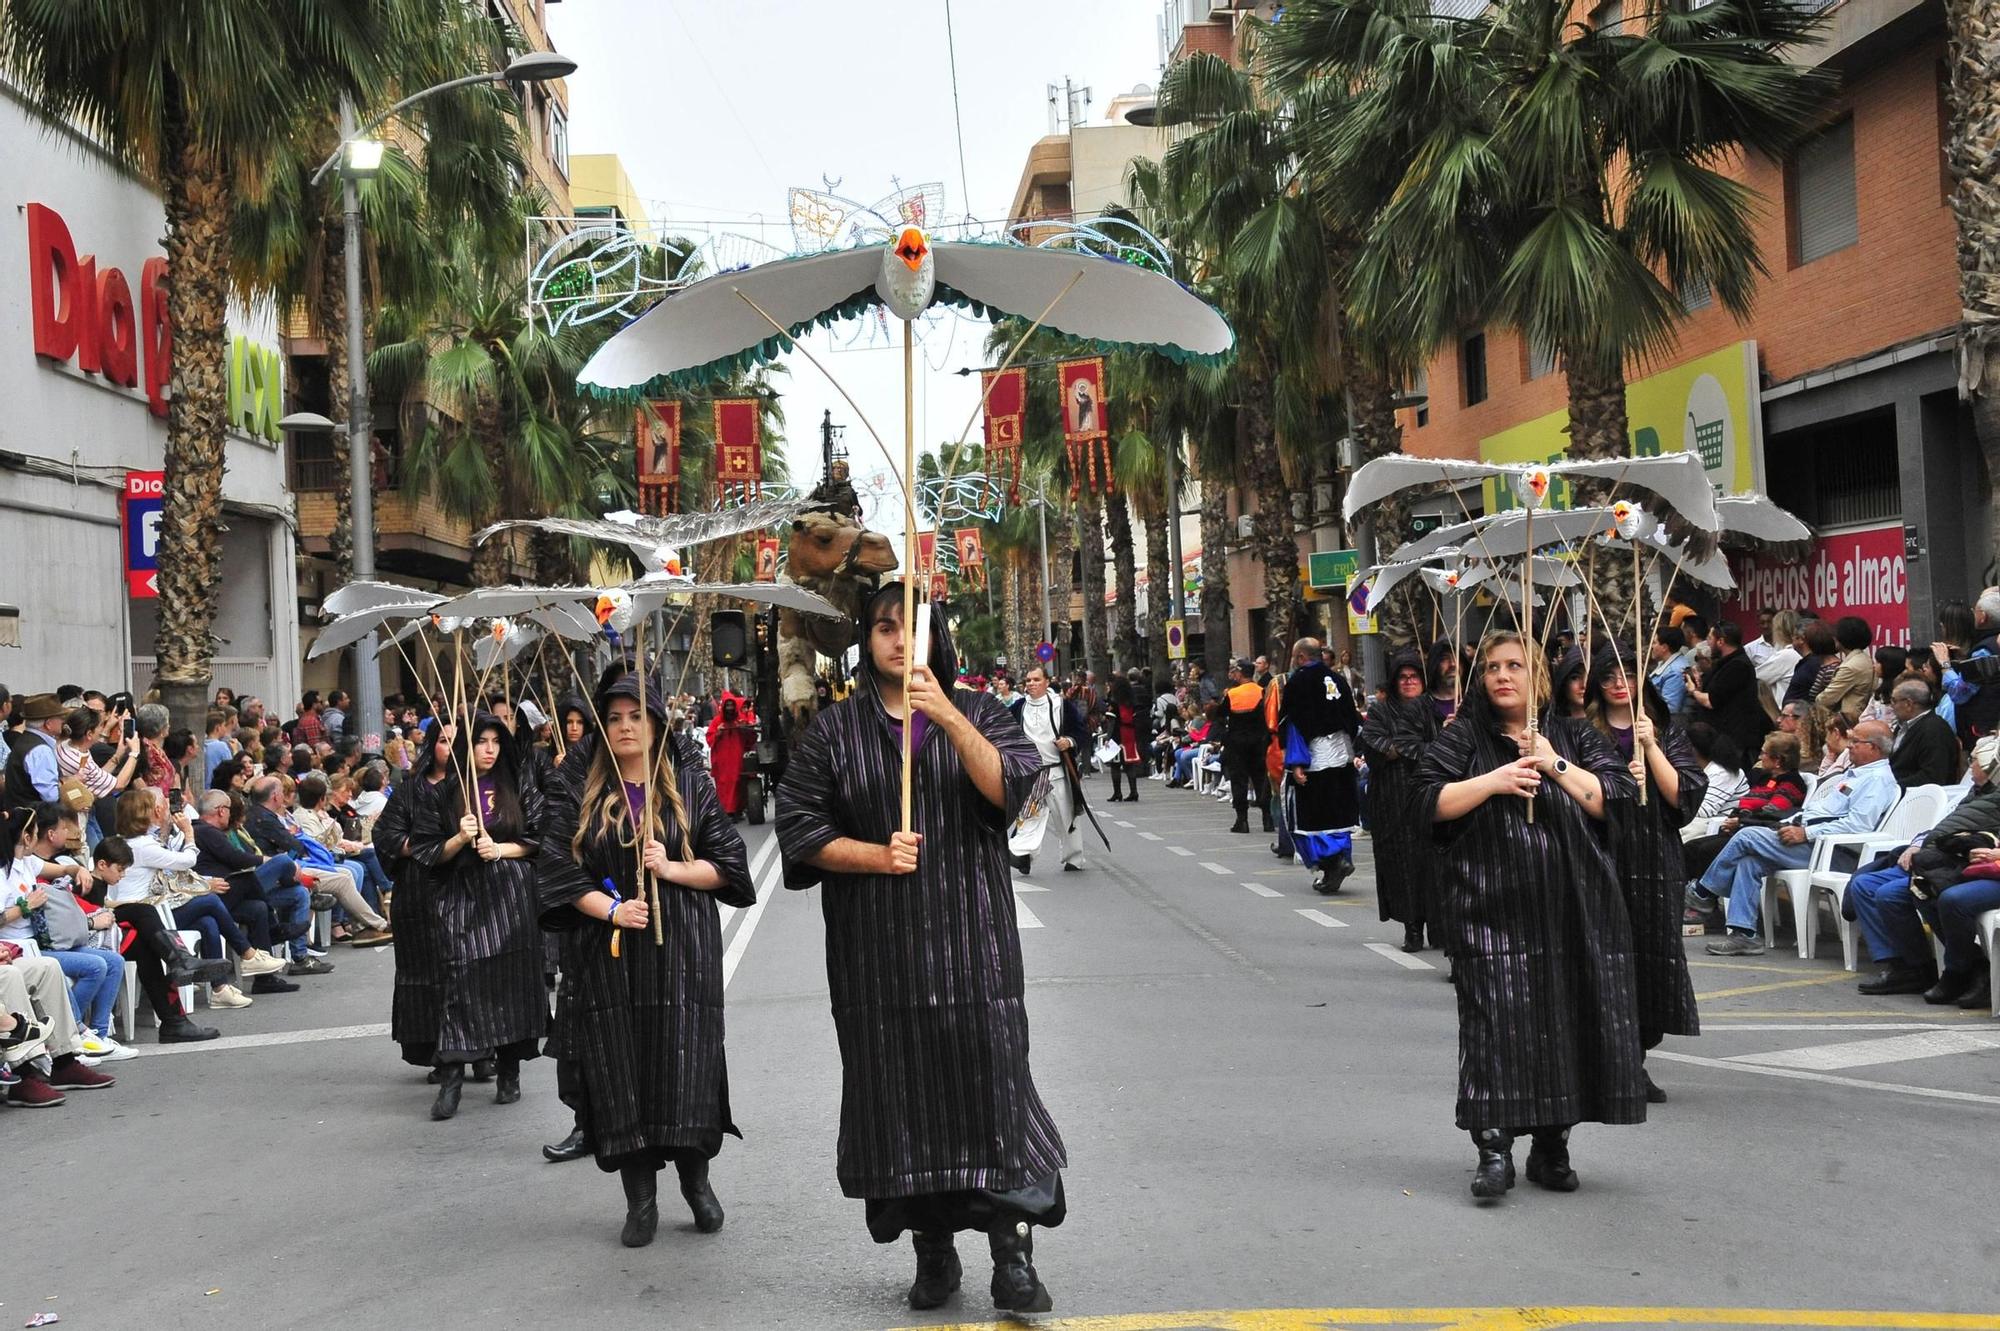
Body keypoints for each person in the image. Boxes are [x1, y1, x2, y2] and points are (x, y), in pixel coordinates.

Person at [776, 583, 1066, 1315]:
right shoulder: (835, 732)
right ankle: (932, 1253)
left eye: (914, 627)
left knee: (994, 1099)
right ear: (867, 639)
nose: (900, 641)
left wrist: (946, 715)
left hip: (976, 958)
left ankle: (1013, 1257)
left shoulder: (978, 711)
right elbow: (798, 828)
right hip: (882, 965)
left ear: (937, 636)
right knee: (902, 1106)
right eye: (885, 627)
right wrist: (876, 855)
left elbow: (1018, 794)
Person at [1413, 630, 1646, 1201]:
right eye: (1492, 666)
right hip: (1490, 907)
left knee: (1565, 1020)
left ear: (1537, 674)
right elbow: (1423, 801)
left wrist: (1553, 763)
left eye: (1515, 665)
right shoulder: (1465, 736)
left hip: (1575, 908)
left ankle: (1552, 1146)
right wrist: (1492, 781)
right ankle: (1493, 1149)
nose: (1502, 675)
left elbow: (1612, 797)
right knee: (1497, 1027)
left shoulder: (1571, 734)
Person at [537, 673, 755, 1247]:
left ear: (656, 722)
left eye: (636, 715)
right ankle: (640, 1201)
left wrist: (673, 868)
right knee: (621, 1071)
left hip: (684, 953)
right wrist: (611, 910)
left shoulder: (691, 784)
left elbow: (729, 867)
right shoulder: (579, 790)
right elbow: (559, 874)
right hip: (609, 960)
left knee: (684, 1065)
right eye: (614, 718)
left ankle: (697, 1183)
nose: (625, 726)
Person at [402, 714, 546, 1119]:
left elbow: (541, 837)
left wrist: (503, 850)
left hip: (512, 898)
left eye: (495, 741)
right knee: (460, 982)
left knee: (512, 984)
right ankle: (451, 1080)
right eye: (480, 741)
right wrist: (459, 838)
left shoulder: (517, 786)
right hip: (461, 898)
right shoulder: (446, 792)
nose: (489, 748)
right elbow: (428, 850)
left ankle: (510, 1071)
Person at [1584, 651, 1705, 1100]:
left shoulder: (1664, 729)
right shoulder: (1581, 730)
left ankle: (1637, 1056)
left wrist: (1651, 748)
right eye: (1610, 675)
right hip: (1600, 854)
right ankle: (1611, 1060)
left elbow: (1681, 796)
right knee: (1605, 959)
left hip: (1654, 859)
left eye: (1628, 674)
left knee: (1653, 959)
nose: (1619, 683)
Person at [1690, 719, 1900, 955]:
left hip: (1834, 852)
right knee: (1749, 862)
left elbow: (1858, 825)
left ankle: (1702, 893)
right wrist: (1789, 824)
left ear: (1874, 747)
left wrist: (1806, 833)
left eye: (1855, 741)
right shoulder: (1855, 775)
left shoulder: (1877, 780)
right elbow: (1815, 812)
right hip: (1812, 843)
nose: (1848, 745)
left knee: (1747, 835)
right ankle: (1744, 934)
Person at [1846, 734, 2000, 1000]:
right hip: (1960, 860)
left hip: (1973, 865)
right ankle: (1914, 966)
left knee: (1945, 896)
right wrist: (1921, 843)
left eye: (1974, 760)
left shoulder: (1991, 796)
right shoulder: (1979, 793)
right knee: (1886, 889)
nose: (1969, 765)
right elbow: (1947, 828)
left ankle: (1963, 971)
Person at [375, 720, 462, 1082]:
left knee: (466, 971)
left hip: (465, 890)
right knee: (426, 973)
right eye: (444, 741)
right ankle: (438, 1051)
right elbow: (387, 835)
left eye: (458, 742)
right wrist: (431, 848)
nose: (451, 749)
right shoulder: (409, 790)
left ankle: (481, 1048)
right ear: (432, 746)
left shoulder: (477, 788)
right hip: (419, 893)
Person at [1361, 648, 1439, 944]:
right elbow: (1379, 746)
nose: (1408, 682)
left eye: (1414, 676)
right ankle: (1412, 926)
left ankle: (1439, 928)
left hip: (1433, 795)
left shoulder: (1435, 708)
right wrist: (1411, 746)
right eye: (1403, 677)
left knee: (1434, 863)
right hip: (1393, 799)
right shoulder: (1382, 711)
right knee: (1402, 865)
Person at [1281, 638, 1361, 894]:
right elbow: (1353, 717)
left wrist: (1296, 762)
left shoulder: (1299, 682)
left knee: (1314, 813)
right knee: (1340, 808)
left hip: (1315, 756)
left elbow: (1293, 722)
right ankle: (1340, 859)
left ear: (1302, 657)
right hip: (1343, 755)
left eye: (1296, 657)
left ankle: (1332, 861)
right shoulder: (1338, 680)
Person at [1690, 622, 1770, 760]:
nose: (1707, 643)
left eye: (1710, 638)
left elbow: (1711, 701)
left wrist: (1693, 692)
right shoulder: (1723, 664)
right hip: (1722, 737)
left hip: (1734, 740)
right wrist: (1699, 685)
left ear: (1720, 641)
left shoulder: (1738, 666)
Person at [1222, 658, 1271, 835]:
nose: (1233, 674)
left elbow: (1221, 715)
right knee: (1261, 779)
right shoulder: (1262, 691)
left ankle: (1242, 820)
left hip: (1237, 743)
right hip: (1259, 742)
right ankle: (1267, 818)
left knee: (1239, 781)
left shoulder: (1232, 694)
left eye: (1235, 671)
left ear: (1240, 673)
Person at [1887, 678, 1959, 788]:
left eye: (1894, 700)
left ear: (1908, 704)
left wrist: (1891, 787)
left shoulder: (1934, 731)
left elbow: (1933, 777)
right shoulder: (1904, 725)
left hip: (1913, 796)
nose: (1891, 705)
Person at [1101, 676, 1150, 804]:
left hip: (1118, 734)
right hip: (1130, 733)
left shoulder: (1114, 702)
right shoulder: (1132, 700)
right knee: (1129, 765)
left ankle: (1117, 793)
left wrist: (1108, 737)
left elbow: (1112, 721)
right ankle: (1134, 791)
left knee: (1115, 765)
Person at [1817, 617, 1876, 723]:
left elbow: (1826, 699)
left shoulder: (1851, 666)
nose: (1833, 638)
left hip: (1848, 721)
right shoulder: (1862, 658)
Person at [706, 695, 754, 818]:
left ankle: (737, 809)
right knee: (723, 785)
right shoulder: (717, 721)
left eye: (732, 705)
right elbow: (710, 738)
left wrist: (744, 729)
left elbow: (750, 739)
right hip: (722, 760)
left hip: (737, 759)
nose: (730, 708)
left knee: (738, 783)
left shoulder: (740, 720)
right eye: (728, 705)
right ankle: (727, 810)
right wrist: (718, 732)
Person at [1754, 611, 1802, 719]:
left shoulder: (1786, 655)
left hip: (1786, 714)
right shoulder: (1797, 653)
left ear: (1779, 631)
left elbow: (1754, 677)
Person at [1648, 626, 1694, 719]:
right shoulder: (1665, 664)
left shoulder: (1675, 672)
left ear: (1664, 647)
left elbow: (1670, 709)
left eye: (1654, 643)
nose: (1651, 646)